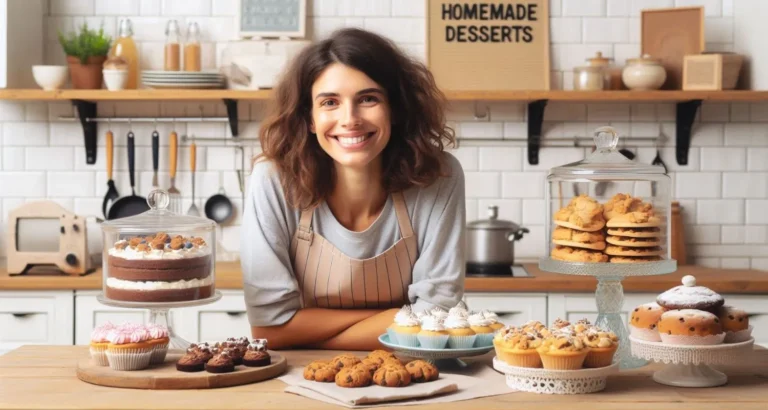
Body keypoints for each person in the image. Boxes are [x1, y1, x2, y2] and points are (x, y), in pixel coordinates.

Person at [241, 28, 466, 351]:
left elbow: (437, 314)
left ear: (396, 108)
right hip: (300, 379)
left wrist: (306, 332)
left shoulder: (439, 178)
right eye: (330, 102)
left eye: (368, 99)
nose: (350, 119)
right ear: (310, 118)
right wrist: (396, 317)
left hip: (411, 375)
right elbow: (269, 328)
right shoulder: (274, 180)